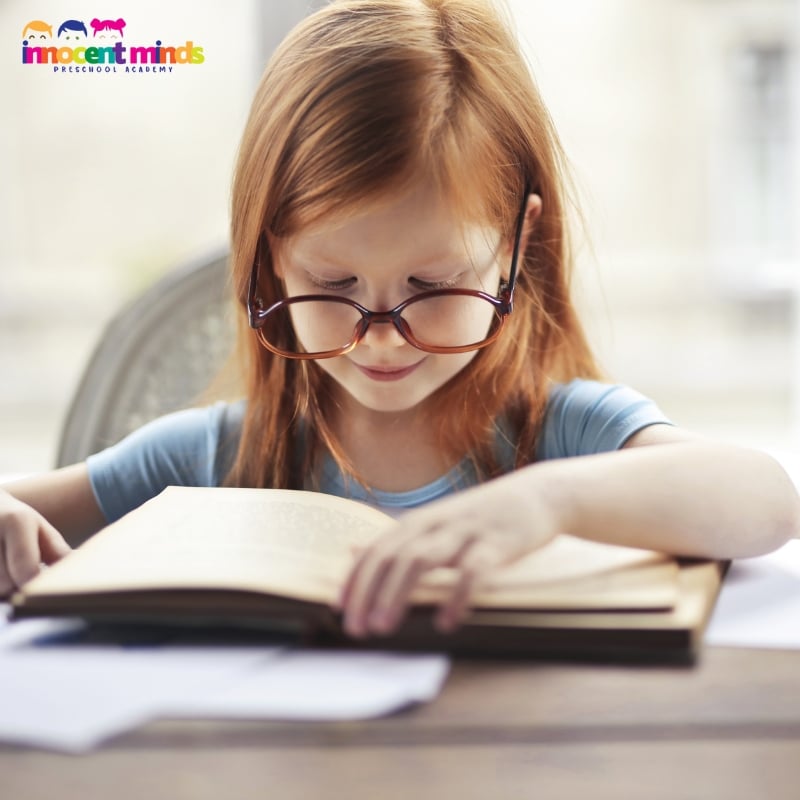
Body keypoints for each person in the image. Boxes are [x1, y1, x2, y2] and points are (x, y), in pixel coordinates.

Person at [2, 0, 798, 639]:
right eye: (332, 281)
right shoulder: (215, 455)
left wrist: (548, 503)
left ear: (515, 246)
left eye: (433, 283)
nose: (381, 334)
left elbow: (768, 497)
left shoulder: (562, 433)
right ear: (272, 255)